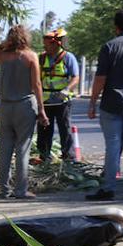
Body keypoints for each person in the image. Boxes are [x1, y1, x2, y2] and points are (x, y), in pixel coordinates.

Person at [0, 25, 48, 199]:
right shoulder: (31, 57)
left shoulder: (3, 56)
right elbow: (37, 85)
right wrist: (41, 109)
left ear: (10, 39)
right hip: (25, 106)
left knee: (5, 149)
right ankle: (20, 190)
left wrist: (4, 44)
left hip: (5, 107)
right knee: (23, 148)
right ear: (26, 38)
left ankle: (4, 190)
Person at [86, 9, 123, 201]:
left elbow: (101, 78)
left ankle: (109, 188)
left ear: (116, 28)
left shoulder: (110, 46)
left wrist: (92, 101)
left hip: (112, 103)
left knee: (112, 147)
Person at [34, 28, 80, 164]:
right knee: (44, 130)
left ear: (55, 44)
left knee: (64, 128)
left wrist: (67, 90)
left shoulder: (68, 57)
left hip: (62, 101)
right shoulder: (41, 58)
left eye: (46, 44)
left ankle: (69, 157)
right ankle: (44, 156)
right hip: (45, 101)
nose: (44, 46)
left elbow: (75, 77)